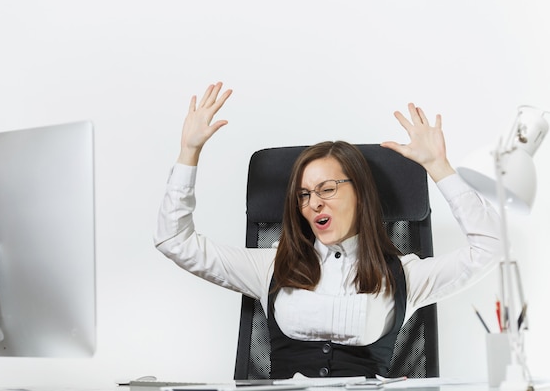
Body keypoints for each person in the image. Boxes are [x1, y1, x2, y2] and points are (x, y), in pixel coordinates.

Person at [154, 82, 502, 379]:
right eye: (304, 195)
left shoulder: (404, 277)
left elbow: (491, 247)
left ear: (360, 193)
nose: (313, 203)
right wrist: (189, 152)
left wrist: (439, 167)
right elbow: (175, 240)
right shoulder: (271, 267)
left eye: (327, 189)